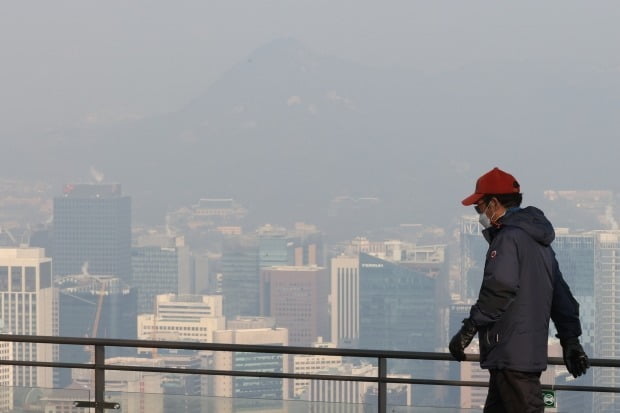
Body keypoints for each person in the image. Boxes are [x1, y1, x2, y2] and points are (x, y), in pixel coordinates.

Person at [449, 167, 589, 413]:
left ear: (493, 204)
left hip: (511, 353)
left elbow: (498, 288)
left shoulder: (507, 238)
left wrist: (468, 329)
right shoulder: (539, 242)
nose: (479, 213)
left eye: (478, 207)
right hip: (521, 354)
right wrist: (570, 339)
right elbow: (561, 295)